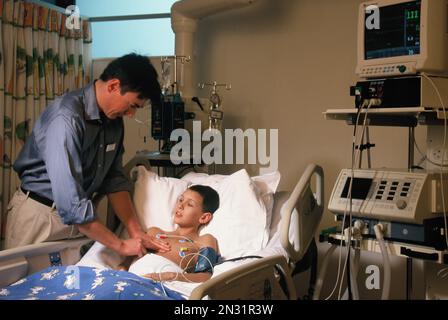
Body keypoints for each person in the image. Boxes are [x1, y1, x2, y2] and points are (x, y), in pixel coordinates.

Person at [5, 53, 170, 258]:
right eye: (132, 105)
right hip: (40, 218)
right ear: (113, 86)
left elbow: (113, 179)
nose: (131, 115)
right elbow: (72, 204)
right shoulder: (66, 119)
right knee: (24, 289)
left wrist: (137, 233)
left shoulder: (113, 121)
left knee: (72, 289)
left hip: (78, 224)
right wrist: (120, 245)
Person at [118, 185, 220, 283]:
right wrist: (122, 267)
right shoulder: (154, 232)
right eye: (180, 200)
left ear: (204, 217)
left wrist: (172, 276)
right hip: (131, 279)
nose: (180, 206)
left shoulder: (204, 240)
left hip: (164, 285)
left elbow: (205, 276)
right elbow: (132, 255)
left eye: (190, 204)